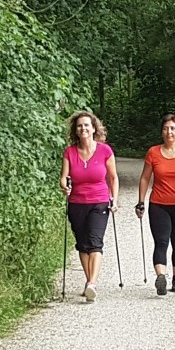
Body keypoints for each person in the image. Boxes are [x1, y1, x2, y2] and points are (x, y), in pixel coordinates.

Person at [136, 114, 175, 296]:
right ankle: (161, 277)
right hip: (159, 204)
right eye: (165, 128)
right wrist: (141, 202)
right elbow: (145, 178)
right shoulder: (153, 152)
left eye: (173, 128)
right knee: (161, 241)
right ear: (161, 131)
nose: (169, 132)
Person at [61, 111, 119, 303]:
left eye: (87, 125)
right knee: (82, 244)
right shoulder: (69, 152)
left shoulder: (105, 151)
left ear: (94, 128)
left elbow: (113, 177)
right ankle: (89, 282)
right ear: (75, 130)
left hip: (99, 201)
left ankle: (92, 283)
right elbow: (64, 177)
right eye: (79, 126)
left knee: (95, 242)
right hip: (77, 202)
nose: (83, 128)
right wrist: (64, 185)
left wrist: (114, 198)